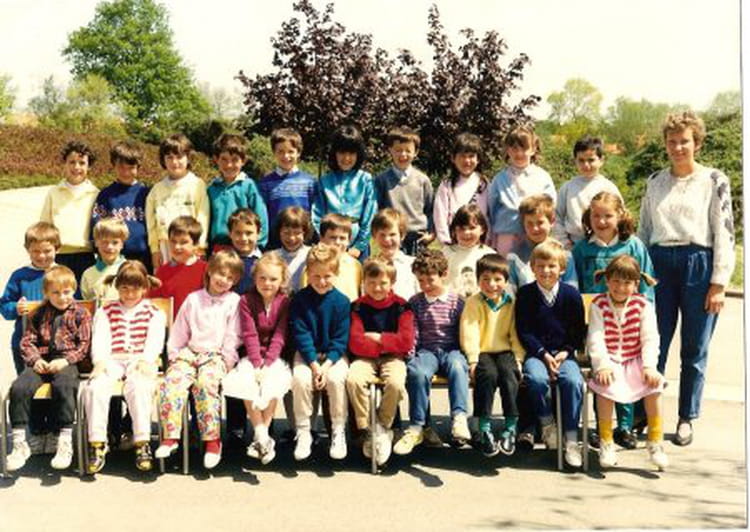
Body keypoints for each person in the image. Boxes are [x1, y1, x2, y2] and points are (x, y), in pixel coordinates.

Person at [638, 110, 735, 446]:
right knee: (653, 343)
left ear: (697, 143)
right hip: (658, 264)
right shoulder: (654, 181)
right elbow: (644, 230)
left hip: (699, 263)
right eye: (672, 141)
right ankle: (645, 413)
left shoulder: (714, 180)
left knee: (694, 347)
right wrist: (639, 274)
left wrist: (718, 283)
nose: (678, 147)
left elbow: (725, 233)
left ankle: (685, 417)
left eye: (684, 141)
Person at [573, 191, 655, 449]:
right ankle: (602, 427)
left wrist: (644, 313)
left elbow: (647, 286)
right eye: (596, 215)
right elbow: (574, 286)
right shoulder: (582, 249)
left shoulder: (633, 246)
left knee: (627, 370)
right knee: (603, 372)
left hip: (628, 322)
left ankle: (625, 427)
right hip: (596, 322)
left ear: (619, 215)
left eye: (608, 215)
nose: (602, 221)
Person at [155, 250, 244, 470]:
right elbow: (179, 331)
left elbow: (233, 336)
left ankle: (212, 441)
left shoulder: (234, 302)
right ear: (210, 271)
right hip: (189, 352)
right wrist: (175, 356)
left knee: (205, 384)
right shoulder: (193, 299)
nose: (224, 280)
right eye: (220, 274)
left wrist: (227, 361)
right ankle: (171, 436)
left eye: (230, 277)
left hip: (215, 356)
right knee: (172, 383)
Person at [6, 265, 92, 472]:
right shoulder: (38, 313)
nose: (62, 297)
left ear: (74, 290)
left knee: (64, 385)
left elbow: (84, 345)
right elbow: (27, 342)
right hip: (41, 361)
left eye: (66, 292)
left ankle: (64, 440)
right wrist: (35, 360)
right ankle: (20, 443)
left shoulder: (81, 313)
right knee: (20, 387)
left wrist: (66, 361)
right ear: (46, 293)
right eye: (55, 293)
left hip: (66, 362)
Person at [586, 255, 668, 471]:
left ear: (636, 284)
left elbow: (650, 338)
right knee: (604, 386)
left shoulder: (643, 305)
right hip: (610, 359)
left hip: (636, 359)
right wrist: (602, 365)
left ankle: (655, 441)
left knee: (654, 386)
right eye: (615, 281)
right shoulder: (599, 304)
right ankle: (606, 441)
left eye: (627, 283)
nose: (620, 288)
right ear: (607, 280)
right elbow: (595, 337)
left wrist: (649, 366)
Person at [83, 260, 166, 474]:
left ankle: (142, 442)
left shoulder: (154, 312)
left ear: (144, 287)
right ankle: (97, 442)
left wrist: (147, 360)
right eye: (124, 288)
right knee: (95, 387)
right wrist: (100, 362)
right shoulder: (106, 311)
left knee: (139, 386)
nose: (129, 294)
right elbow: (100, 340)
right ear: (117, 286)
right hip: (113, 359)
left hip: (139, 359)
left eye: (135, 289)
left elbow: (155, 342)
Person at [515, 239, 586, 468]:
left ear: (562, 268)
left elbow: (577, 331)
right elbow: (524, 330)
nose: (546, 271)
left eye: (552, 266)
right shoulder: (525, 294)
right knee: (536, 379)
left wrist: (565, 352)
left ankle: (571, 438)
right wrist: (543, 354)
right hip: (537, 354)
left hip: (564, 354)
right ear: (532, 268)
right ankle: (547, 425)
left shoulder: (571, 295)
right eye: (541, 266)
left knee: (573, 381)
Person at [394, 249, 467, 456]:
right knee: (418, 372)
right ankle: (417, 426)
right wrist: (410, 354)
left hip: (452, 349)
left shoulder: (457, 301)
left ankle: (459, 417)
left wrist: (468, 356)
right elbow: (413, 331)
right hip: (427, 350)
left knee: (457, 367)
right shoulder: (415, 302)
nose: (425, 285)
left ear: (444, 274)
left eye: (430, 280)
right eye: (421, 281)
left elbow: (464, 331)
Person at [222, 253, 292, 465]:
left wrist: (267, 363)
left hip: (274, 356)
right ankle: (263, 436)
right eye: (262, 278)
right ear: (254, 278)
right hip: (251, 355)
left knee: (273, 381)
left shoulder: (285, 302)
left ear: (282, 280)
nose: (267, 283)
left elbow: (280, 335)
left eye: (273, 279)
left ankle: (261, 436)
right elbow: (249, 334)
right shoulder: (246, 300)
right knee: (247, 381)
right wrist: (256, 364)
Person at [346, 257, 415, 466]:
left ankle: (383, 426)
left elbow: (406, 342)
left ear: (392, 283)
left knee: (395, 382)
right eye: (371, 283)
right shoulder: (357, 307)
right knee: (353, 380)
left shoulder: (402, 306)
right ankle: (368, 428)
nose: (377, 288)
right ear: (364, 282)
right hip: (364, 357)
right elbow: (356, 343)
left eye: (383, 283)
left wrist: (379, 338)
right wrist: (389, 342)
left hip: (393, 358)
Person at [289, 244, 351, 461]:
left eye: (327, 276)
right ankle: (304, 430)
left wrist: (326, 365)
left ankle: (338, 430)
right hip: (308, 354)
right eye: (316, 276)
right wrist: (315, 365)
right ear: (308, 273)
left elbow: (341, 339)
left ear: (336, 273)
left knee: (335, 380)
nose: (322, 281)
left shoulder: (342, 302)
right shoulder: (300, 300)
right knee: (300, 379)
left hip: (333, 356)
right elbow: (301, 334)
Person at [460, 254, 525, 457]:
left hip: (505, 351)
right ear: (478, 280)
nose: (491, 284)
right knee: (487, 375)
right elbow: (469, 332)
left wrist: (518, 358)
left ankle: (511, 426)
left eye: (497, 279)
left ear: (506, 281)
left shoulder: (511, 302)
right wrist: (472, 359)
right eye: (485, 279)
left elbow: (515, 333)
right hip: (483, 351)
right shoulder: (474, 302)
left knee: (509, 374)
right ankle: (484, 426)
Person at [1, 222, 60, 376]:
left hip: (57, 344)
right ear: (27, 250)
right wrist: (16, 308)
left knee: (56, 385)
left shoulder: (63, 274)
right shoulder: (19, 276)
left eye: (47, 251)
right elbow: (5, 306)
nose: (41, 256)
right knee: (26, 385)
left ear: (57, 248)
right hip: (24, 343)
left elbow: (76, 305)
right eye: (35, 251)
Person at [487, 126, 556, 255]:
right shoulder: (499, 179)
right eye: (514, 149)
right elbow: (491, 210)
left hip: (535, 233)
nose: (519, 153)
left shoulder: (542, 177)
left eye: (524, 148)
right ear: (508, 150)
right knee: (507, 265)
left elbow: (551, 207)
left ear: (533, 149)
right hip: (507, 234)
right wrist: (492, 238)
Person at [312, 124, 377, 260]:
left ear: (358, 154)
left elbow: (370, 215)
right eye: (342, 152)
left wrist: (359, 246)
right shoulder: (324, 181)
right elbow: (317, 216)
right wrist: (324, 240)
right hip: (330, 244)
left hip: (357, 246)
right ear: (334, 153)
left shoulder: (365, 180)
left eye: (351, 153)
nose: (346, 158)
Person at [145, 134, 210, 269]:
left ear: (188, 157)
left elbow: (203, 217)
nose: (175, 162)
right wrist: (154, 250)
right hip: (165, 247)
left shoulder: (197, 185)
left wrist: (200, 245)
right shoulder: (156, 190)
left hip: (191, 246)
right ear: (163, 160)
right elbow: (151, 223)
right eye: (169, 157)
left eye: (179, 157)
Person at [40, 141, 99, 281]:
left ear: (89, 166)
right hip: (58, 257)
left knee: (84, 294)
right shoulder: (54, 193)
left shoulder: (96, 194)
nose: (76, 167)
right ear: (64, 164)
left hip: (86, 257)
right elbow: (44, 227)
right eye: (72, 162)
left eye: (82, 163)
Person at [551, 136, 622, 249]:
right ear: (575, 161)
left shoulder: (608, 187)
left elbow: (620, 216)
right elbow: (557, 218)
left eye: (591, 160)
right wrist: (565, 243)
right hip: (574, 245)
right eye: (581, 160)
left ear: (601, 160)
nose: (586, 165)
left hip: (604, 245)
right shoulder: (567, 188)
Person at [374, 126, 435, 255]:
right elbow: (377, 210)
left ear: (416, 152)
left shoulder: (423, 180)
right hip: (392, 237)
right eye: (398, 150)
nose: (403, 155)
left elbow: (430, 210)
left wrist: (431, 233)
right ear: (390, 150)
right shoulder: (381, 180)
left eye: (408, 150)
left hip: (418, 239)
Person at [91, 141, 151, 269]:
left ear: (138, 167)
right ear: (113, 165)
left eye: (131, 168)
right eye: (121, 167)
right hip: (113, 259)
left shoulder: (147, 194)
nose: (126, 172)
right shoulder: (106, 195)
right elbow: (97, 227)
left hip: (144, 259)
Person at [506, 195, 578, 296]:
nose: (535, 228)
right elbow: (510, 293)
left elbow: (572, 289)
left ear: (552, 221)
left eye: (540, 223)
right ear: (523, 224)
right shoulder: (514, 257)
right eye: (530, 223)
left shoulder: (565, 255)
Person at [207, 133, 269, 252]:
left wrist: (259, 244)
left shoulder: (248, 186)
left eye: (235, 160)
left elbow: (261, 216)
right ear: (216, 160)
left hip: (244, 245)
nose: (229, 165)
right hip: (219, 247)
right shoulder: (212, 189)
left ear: (243, 161)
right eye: (224, 159)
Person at [259, 128, 317, 250]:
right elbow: (262, 215)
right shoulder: (265, 183)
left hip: (303, 244)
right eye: (280, 151)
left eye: (291, 151)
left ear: (298, 152)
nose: (286, 156)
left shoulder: (310, 182)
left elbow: (315, 214)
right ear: (274, 152)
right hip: (275, 245)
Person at [433, 132, 490, 246]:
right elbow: (440, 216)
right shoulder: (446, 185)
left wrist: (487, 241)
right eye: (462, 156)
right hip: (454, 244)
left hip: (479, 244)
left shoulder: (484, 184)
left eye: (471, 156)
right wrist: (446, 242)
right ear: (453, 158)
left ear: (478, 159)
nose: (467, 161)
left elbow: (489, 217)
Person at [149, 215, 208, 318]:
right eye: (173, 241)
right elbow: (155, 302)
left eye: (183, 242)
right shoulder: (162, 272)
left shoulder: (205, 270)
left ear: (196, 244)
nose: (177, 247)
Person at [300, 213, 363, 302]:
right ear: (321, 238)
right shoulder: (312, 267)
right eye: (333, 237)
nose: (337, 242)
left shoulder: (355, 265)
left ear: (349, 240)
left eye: (342, 238)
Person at [442, 204, 494, 298]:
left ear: (482, 229)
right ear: (454, 230)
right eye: (462, 228)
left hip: (479, 304)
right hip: (451, 303)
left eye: (472, 228)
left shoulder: (489, 255)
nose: (466, 233)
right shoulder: (446, 253)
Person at [371, 208, 419, 300]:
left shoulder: (413, 265)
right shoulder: (370, 266)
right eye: (382, 235)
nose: (387, 239)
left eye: (392, 234)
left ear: (402, 235)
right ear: (374, 236)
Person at [80, 217, 128, 300]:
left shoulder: (129, 270)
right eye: (104, 242)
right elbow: (86, 301)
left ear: (122, 244)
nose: (109, 247)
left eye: (115, 242)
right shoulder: (88, 274)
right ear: (96, 243)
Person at [274, 206, 313, 293]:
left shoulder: (311, 254)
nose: (291, 238)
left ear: (305, 233)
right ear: (279, 232)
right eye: (286, 233)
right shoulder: (273, 257)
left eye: (297, 233)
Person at [226, 208, 262, 295]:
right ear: (230, 234)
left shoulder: (264, 262)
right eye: (238, 233)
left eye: (249, 233)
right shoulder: (224, 260)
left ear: (258, 234)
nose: (243, 238)